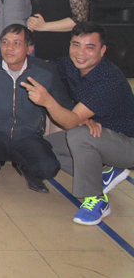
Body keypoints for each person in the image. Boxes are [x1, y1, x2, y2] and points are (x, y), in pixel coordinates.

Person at [30, 23, 134, 225]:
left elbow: (70, 122)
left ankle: (96, 199)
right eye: (76, 45)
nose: (80, 53)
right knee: (41, 147)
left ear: (102, 50)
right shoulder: (70, 64)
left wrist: (48, 102)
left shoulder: (108, 80)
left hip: (127, 144)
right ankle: (103, 176)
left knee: (78, 135)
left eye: (90, 47)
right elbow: (41, 65)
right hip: (102, 136)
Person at [0, 24, 73, 192]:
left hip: (27, 135)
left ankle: (24, 166)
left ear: (29, 49)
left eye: (17, 43)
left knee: (49, 168)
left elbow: (65, 104)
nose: (9, 48)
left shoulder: (45, 72)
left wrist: (83, 118)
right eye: (5, 42)